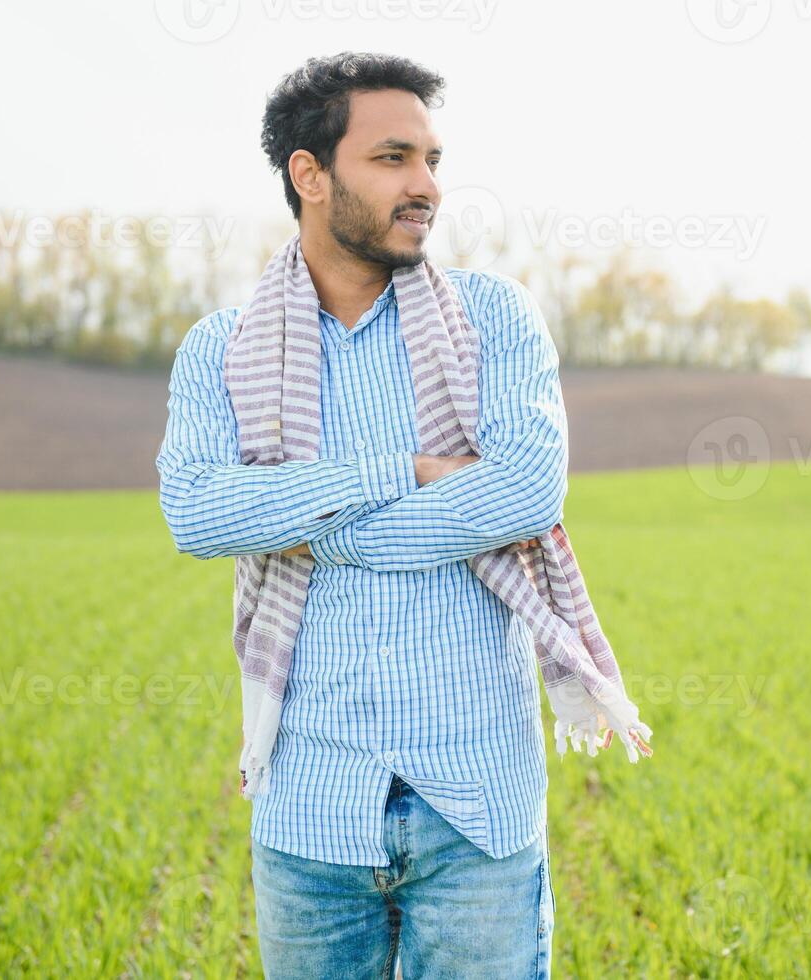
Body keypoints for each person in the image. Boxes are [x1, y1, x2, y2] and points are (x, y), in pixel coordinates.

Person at [156, 52, 561, 978]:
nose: (427, 187)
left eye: (431, 159)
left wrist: (311, 527)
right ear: (310, 174)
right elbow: (195, 509)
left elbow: (526, 492)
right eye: (393, 158)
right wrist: (406, 472)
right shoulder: (221, 349)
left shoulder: (495, 319)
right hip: (308, 808)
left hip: (478, 816)